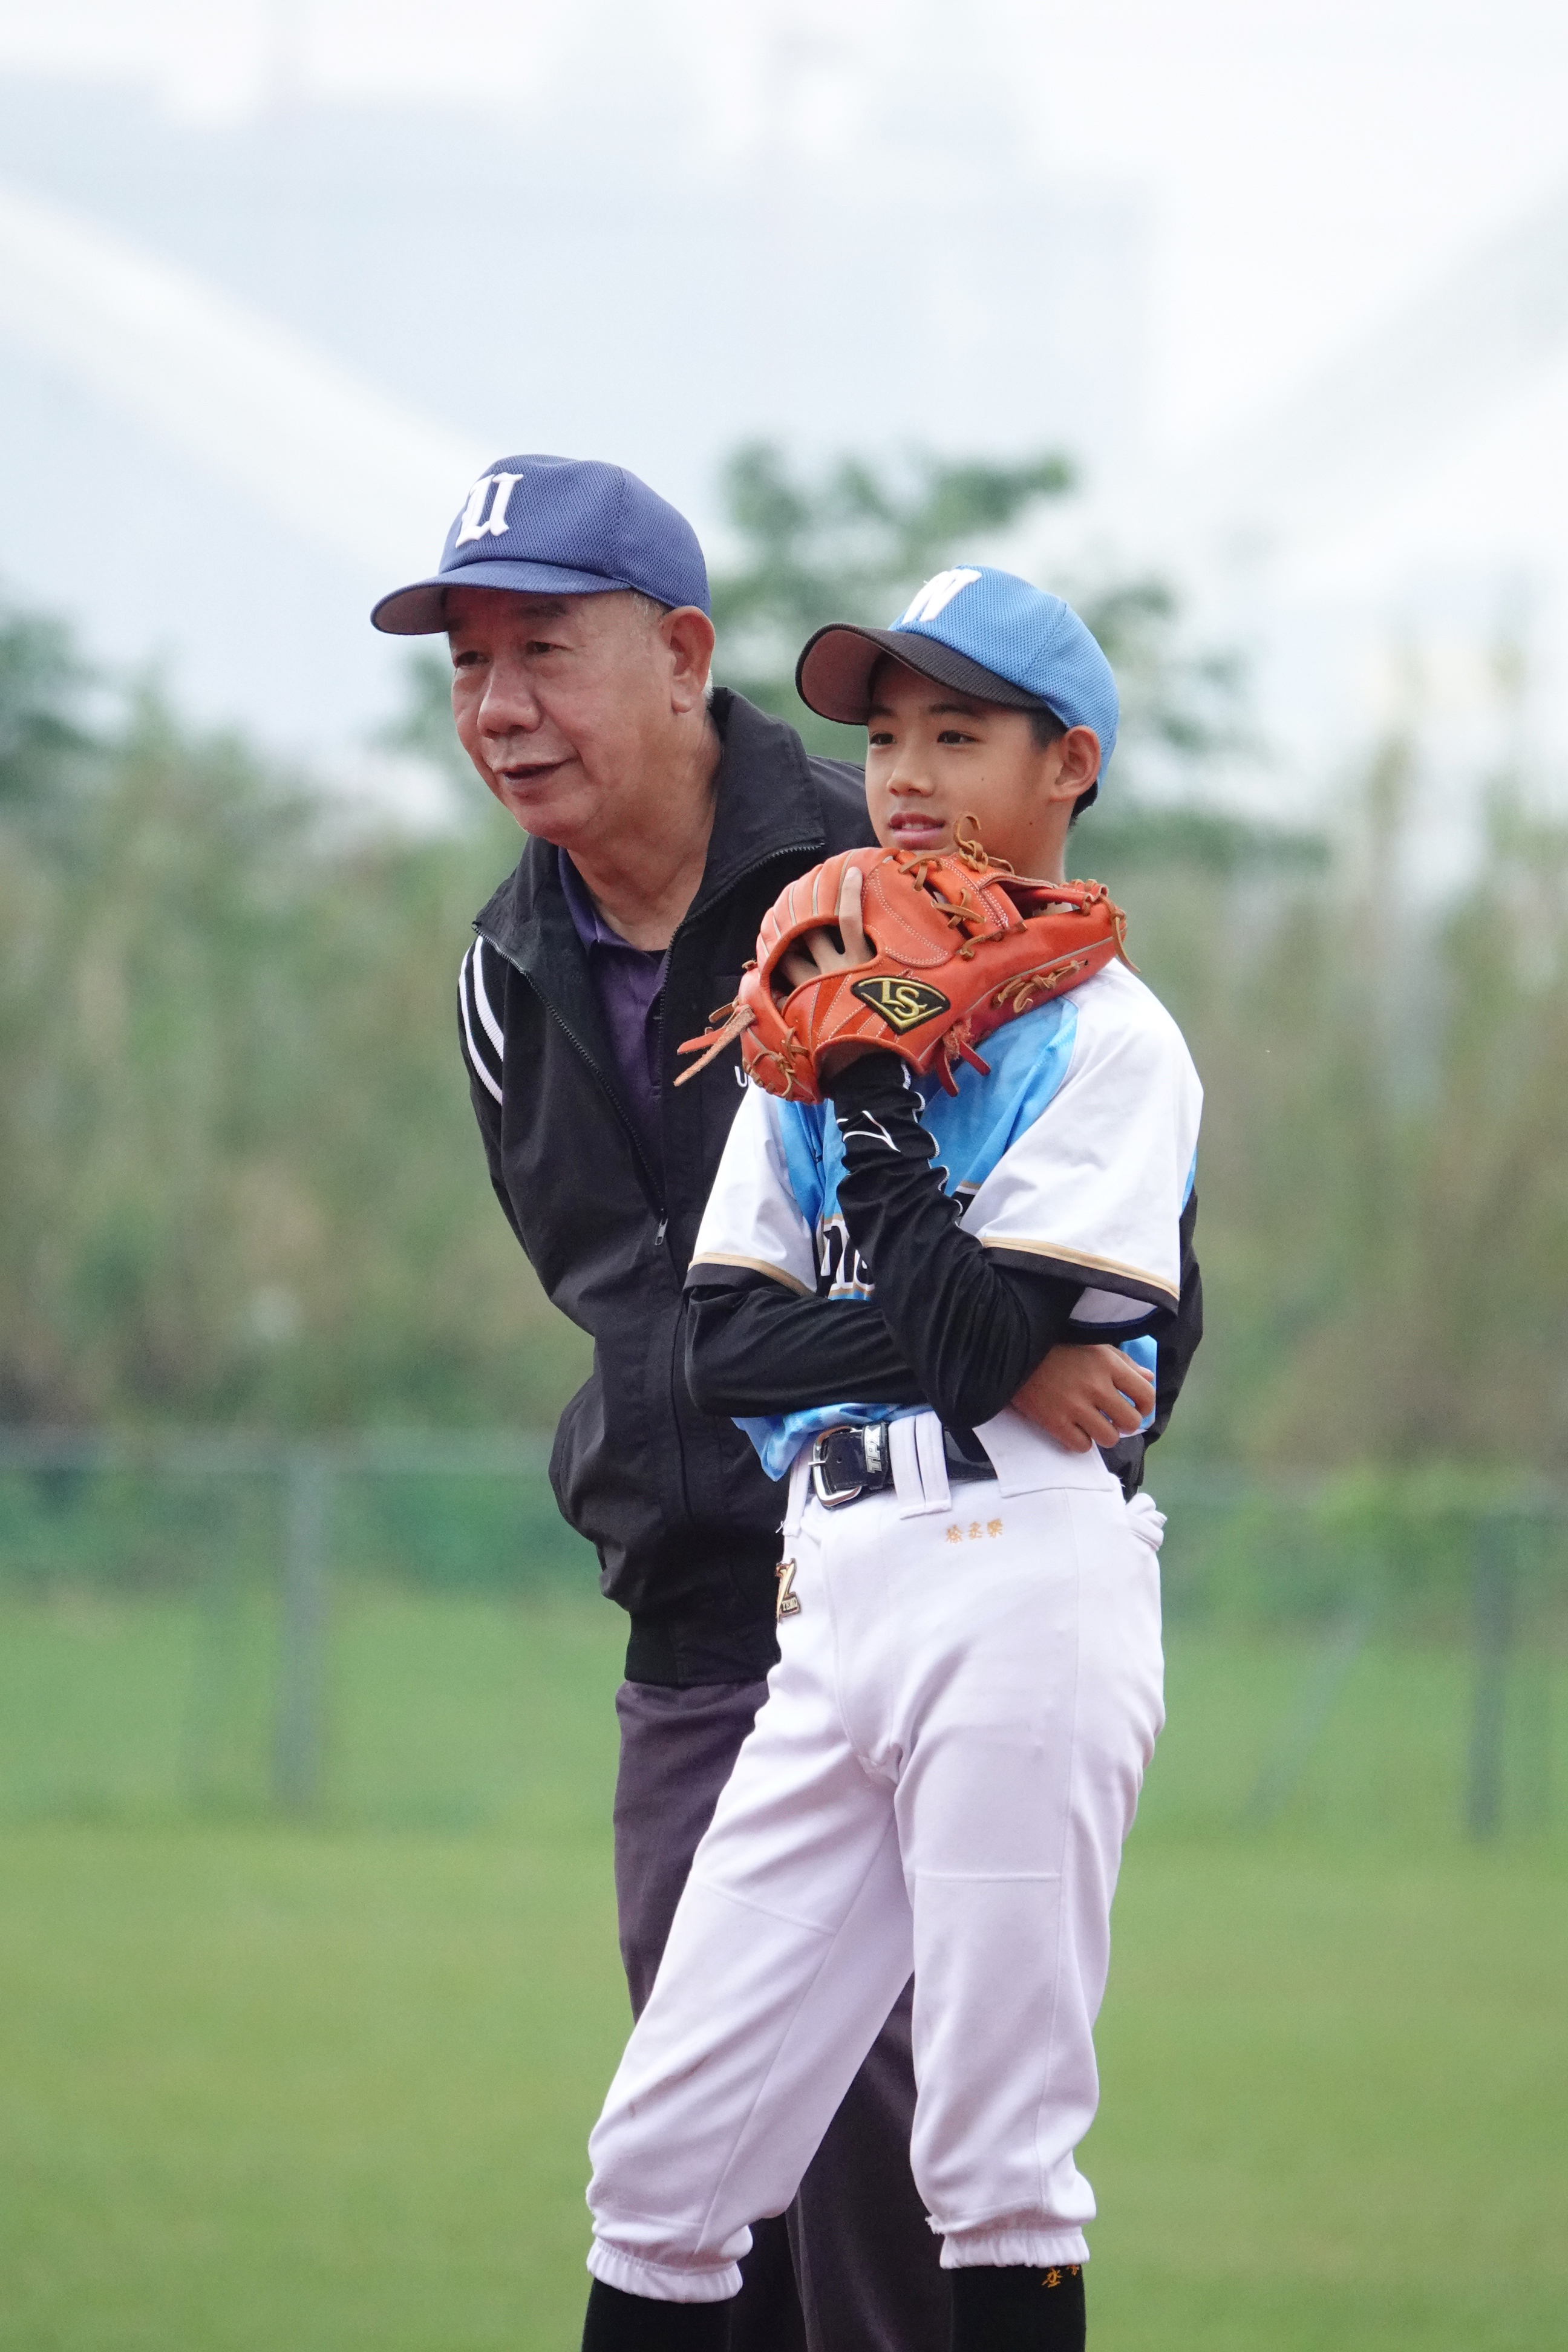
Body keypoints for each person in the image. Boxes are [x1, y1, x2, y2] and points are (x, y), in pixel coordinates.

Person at [371, 464, 1194, 2348]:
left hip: (991, 1559)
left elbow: (1114, 1304)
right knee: (680, 2163)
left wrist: (1000, 1340)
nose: (500, 703)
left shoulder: (940, 919)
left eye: (542, 649)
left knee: (936, 2182)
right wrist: (967, 1336)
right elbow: (685, 1334)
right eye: (470, 663)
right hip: (737, 1603)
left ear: (680, 655)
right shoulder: (539, 969)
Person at [578, 566, 1204, 2352]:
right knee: (665, 2163)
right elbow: (724, 1349)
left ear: (1069, 763)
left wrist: (872, 1088)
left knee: (994, 2164)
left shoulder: (1110, 1037)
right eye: (885, 738)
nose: (907, 776)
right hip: (833, 1593)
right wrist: (998, 1338)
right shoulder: (807, 1014)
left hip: (1023, 1585)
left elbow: (978, 1336)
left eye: (959, 732)